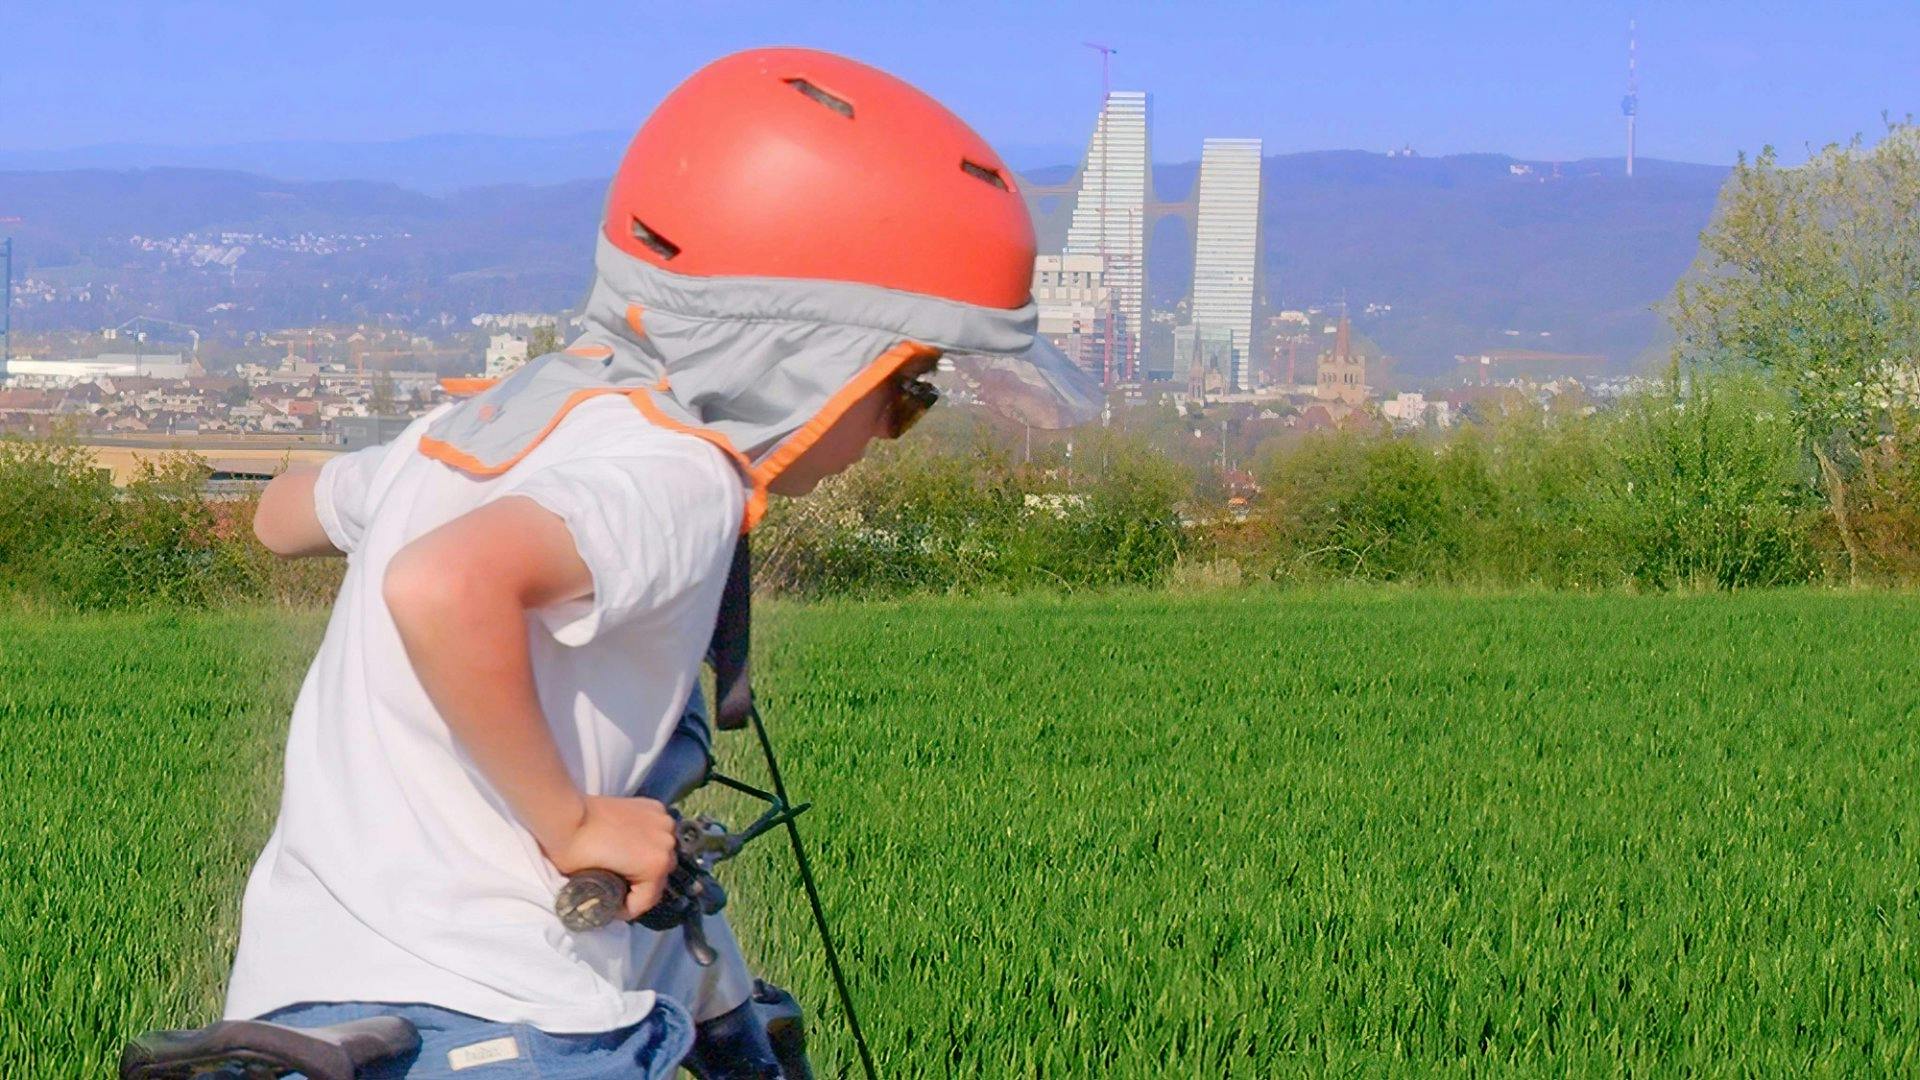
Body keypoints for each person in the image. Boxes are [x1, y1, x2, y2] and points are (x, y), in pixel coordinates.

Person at [225, 46, 1097, 1078]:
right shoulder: (680, 472)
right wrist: (575, 818)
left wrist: (383, 495)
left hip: (306, 984)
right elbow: (445, 584)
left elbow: (281, 518)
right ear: (803, 362)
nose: (894, 427)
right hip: (511, 1003)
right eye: (907, 389)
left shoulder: (476, 428)